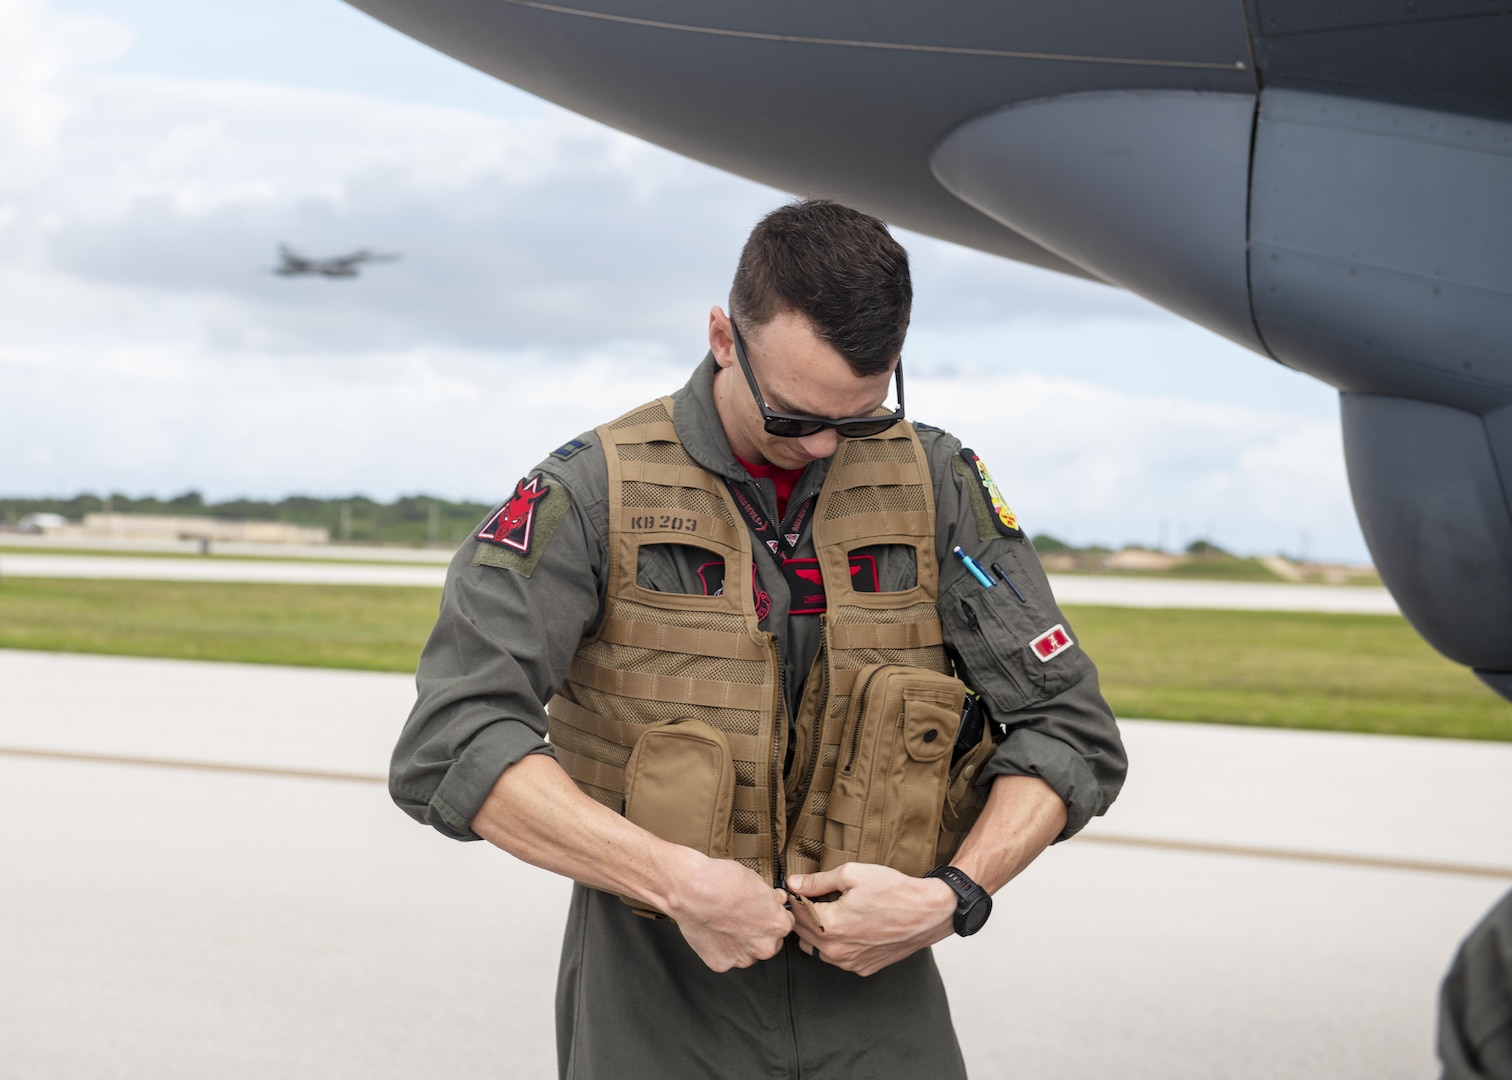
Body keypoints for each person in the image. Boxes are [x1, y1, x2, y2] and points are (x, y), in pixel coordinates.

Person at [391, 198, 1127, 1079]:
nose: (821, 447)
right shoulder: (593, 494)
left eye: (855, 419)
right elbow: (454, 740)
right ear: (722, 337)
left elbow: (1069, 730)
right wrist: (676, 882)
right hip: (658, 987)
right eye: (791, 417)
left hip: (876, 985)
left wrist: (951, 897)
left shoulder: (936, 482)